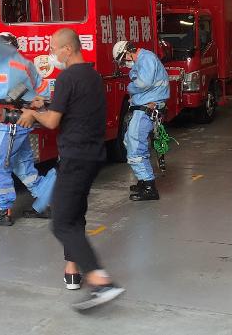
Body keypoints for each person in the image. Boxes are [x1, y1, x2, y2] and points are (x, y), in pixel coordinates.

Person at [18, 28, 124, 310]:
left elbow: (52, 122)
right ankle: (78, 275)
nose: (52, 54)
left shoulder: (66, 77)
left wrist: (32, 113)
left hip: (75, 158)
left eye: (54, 48)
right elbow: (75, 109)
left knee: (61, 223)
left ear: (67, 49)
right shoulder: (92, 75)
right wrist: (46, 105)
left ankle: (101, 283)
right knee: (74, 217)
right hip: (92, 156)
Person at [0, 26, 57, 226]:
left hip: (10, 124)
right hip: (21, 122)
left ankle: (4, 211)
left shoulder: (7, 64)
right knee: (23, 166)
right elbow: (45, 92)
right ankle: (48, 198)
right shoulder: (26, 65)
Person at [112, 40, 170, 201]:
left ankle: (149, 187)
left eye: (124, 60)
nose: (125, 64)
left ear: (127, 52)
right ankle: (143, 180)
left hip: (146, 109)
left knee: (136, 145)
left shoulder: (146, 59)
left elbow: (142, 83)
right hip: (144, 108)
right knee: (129, 142)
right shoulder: (143, 60)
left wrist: (130, 88)